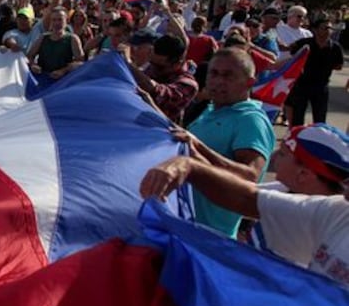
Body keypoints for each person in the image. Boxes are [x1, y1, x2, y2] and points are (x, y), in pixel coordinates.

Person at [139, 132, 349, 288]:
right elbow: (244, 196)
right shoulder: (336, 213)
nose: (274, 157)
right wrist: (187, 165)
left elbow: (247, 179)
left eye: (283, 154)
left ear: (304, 174)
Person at [181, 48, 275, 237]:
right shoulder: (209, 110)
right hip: (184, 226)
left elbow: (249, 177)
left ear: (249, 83)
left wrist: (199, 150)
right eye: (214, 74)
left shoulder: (250, 120)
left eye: (228, 76)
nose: (218, 81)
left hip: (212, 236)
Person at [121, 33, 198, 123]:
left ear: (178, 63)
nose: (154, 69)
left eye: (159, 66)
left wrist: (128, 63)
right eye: (152, 63)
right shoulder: (153, 68)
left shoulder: (188, 85)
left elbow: (159, 92)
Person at [286, 17, 344, 126]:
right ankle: (296, 140)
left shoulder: (335, 47)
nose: (328, 31)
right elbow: (291, 53)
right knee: (297, 118)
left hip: (321, 86)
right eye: (325, 28)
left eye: (330, 28)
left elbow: (339, 65)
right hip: (302, 85)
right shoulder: (304, 44)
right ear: (315, 30)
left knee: (320, 119)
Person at [27, 7, 84, 80]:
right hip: (42, 78)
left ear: (66, 21)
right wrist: (33, 65)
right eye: (54, 20)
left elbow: (80, 62)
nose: (57, 23)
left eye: (60, 20)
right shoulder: (43, 37)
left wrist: (63, 70)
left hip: (63, 81)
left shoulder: (73, 39)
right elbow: (29, 56)